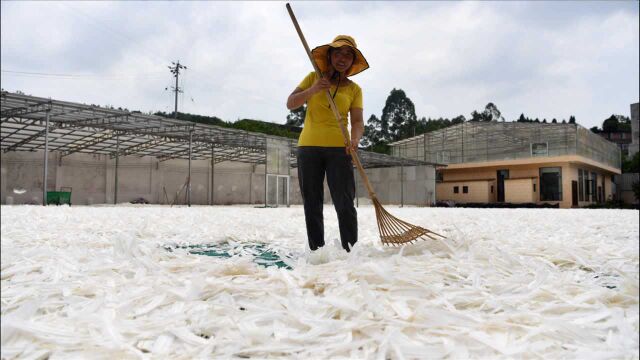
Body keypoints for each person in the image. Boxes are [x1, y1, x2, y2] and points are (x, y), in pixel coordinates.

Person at [286, 35, 369, 253]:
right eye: (338, 53)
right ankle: (317, 251)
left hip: (339, 149)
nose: (343, 58)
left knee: (345, 202)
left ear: (353, 61)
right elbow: (291, 103)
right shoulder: (313, 77)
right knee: (312, 202)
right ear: (330, 55)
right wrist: (313, 89)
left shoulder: (354, 89)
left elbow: (358, 122)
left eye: (348, 55)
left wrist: (355, 139)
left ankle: (351, 250)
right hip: (308, 148)